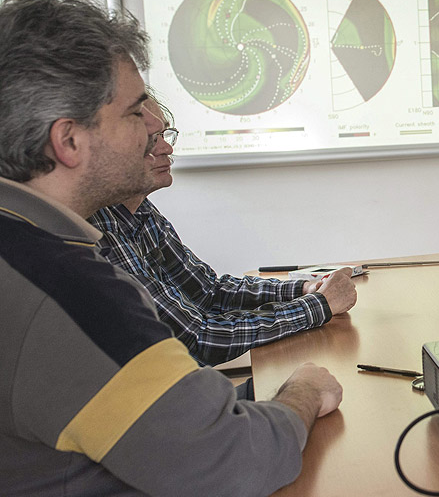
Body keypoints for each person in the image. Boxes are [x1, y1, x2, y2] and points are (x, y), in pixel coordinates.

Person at [0, 0, 342, 497]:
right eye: (136, 111)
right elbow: (235, 466)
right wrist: (302, 393)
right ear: (69, 141)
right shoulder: (63, 285)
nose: (158, 123)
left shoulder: (22, 244)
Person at [88, 101, 357, 366]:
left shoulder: (141, 211)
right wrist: (318, 305)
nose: (167, 148)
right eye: (150, 139)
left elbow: (211, 293)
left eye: (164, 135)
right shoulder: (101, 231)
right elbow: (201, 339)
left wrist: (304, 288)